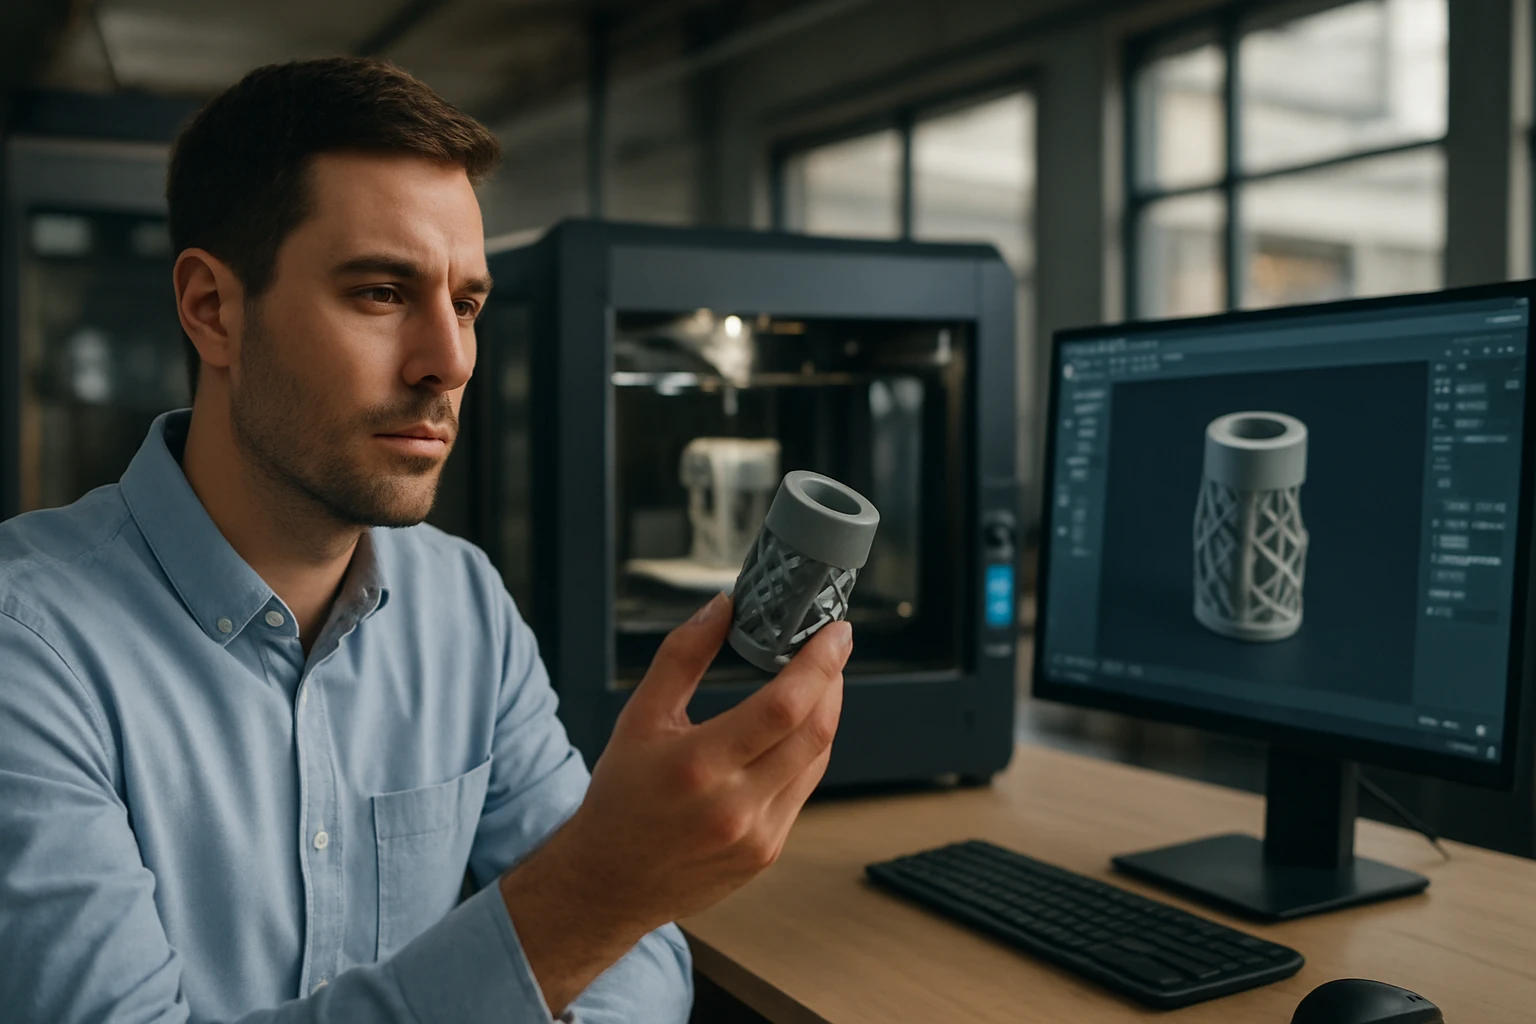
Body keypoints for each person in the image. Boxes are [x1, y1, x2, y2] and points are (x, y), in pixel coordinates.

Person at [0, 57, 848, 1023]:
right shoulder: (28, 648)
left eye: (467, 304)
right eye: (379, 292)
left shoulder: (465, 607)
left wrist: (608, 900)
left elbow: (643, 962)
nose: (448, 362)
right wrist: (592, 893)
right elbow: (609, 912)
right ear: (213, 310)